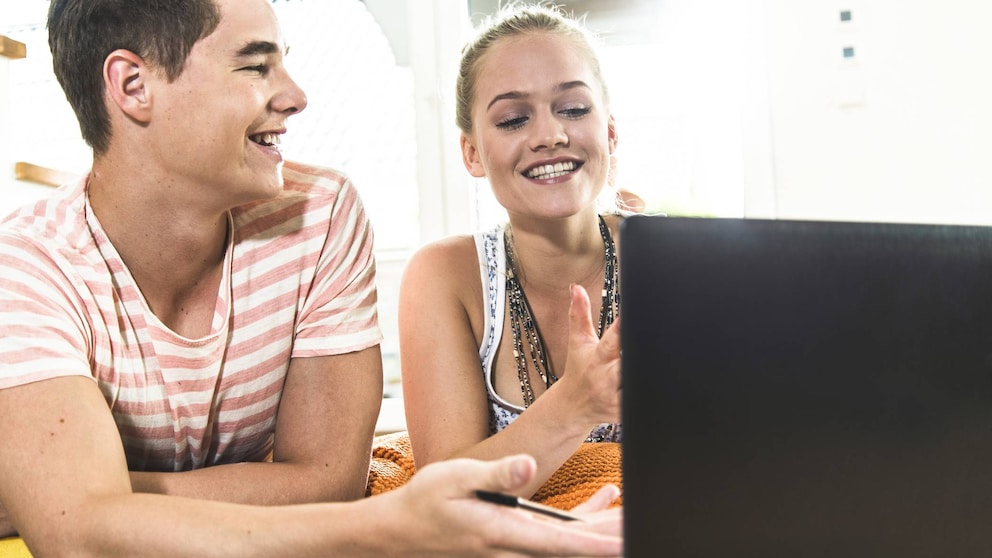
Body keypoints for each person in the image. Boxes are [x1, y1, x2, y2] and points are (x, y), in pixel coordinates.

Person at [0, 0, 623, 556]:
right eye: (255, 66)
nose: (296, 96)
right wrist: (384, 527)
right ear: (133, 85)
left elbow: (329, 481)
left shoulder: (319, 213)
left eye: (572, 107)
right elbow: (75, 537)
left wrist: (99, 493)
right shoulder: (25, 265)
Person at [399, 2, 625, 501]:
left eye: (573, 108)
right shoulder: (445, 277)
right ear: (472, 153)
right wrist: (574, 404)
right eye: (512, 119)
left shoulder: (668, 260)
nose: (550, 135)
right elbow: (444, 495)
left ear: (609, 130)